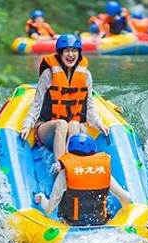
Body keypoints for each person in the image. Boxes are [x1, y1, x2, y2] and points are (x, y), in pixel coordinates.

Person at [20, 34, 109, 173]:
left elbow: (90, 107)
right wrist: (27, 125)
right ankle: (60, 167)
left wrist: (99, 124)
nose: (70, 54)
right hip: (49, 128)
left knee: (73, 123)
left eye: (74, 50)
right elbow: (36, 104)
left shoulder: (86, 75)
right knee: (62, 123)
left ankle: (72, 166)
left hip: (72, 131)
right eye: (66, 51)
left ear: (79, 53)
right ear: (60, 53)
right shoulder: (48, 74)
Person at [35, 133, 132, 226]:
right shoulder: (101, 170)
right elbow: (126, 199)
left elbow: (49, 209)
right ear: (93, 153)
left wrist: (42, 199)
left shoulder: (65, 174)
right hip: (101, 224)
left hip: (71, 226)